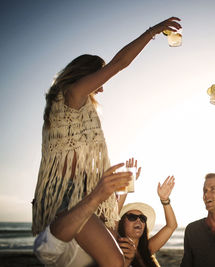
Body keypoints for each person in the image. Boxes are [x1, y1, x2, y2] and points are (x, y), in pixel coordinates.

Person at [31, 17, 182, 267]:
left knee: (113, 262)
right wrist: (153, 31)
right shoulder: (72, 95)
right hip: (70, 199)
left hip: (76, 196)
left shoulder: (68, 108)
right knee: (116, 262)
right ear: (87, 74)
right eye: (98, 79)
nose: (100, 89)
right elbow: (120, 63)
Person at [34, 158, 140, 266]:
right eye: (107, 191)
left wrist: (127, 259)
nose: (113, 197)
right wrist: (95, 198)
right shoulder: (77, 229)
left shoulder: (104, 231)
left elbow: (46, 251)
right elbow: (46, 251)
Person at [117, 175, 177, 267]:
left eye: (142, 218)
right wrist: (128, 186)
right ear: (121, 222)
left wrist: (164, 200)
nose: (138, 220)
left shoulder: (146, 249)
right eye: (132, 217)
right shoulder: (115, 249)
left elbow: (171, 226)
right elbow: (113, 217)